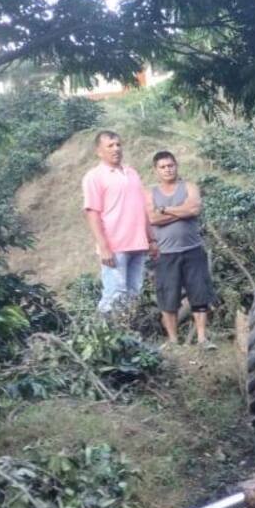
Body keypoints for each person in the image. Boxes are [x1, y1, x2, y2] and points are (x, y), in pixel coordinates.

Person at [146, 150, 216, 348]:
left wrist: (164, 210)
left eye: (170, 165)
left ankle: (202, 338)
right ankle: (173, 341)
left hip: (193, 250)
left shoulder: (189, 187)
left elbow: (194, 209)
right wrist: (181, 211)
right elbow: (152, 218)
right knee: (168, 298)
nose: (167, 169)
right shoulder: (149, 193)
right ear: (156, 170)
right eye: (163, 167)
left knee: (199, 295)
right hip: (165, 253)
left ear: (176, 166)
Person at [82, 130, 157, 315]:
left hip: (138, 244)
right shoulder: (94, 176)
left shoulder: (132, 173)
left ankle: (128, 331)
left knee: (134, 294)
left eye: (118, 144)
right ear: (99, 151)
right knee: (114, 295)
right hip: (115, 246)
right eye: (110, 145)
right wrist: (104, 247)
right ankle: (104, 331)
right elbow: (92, 213)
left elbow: (142, 208)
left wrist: (151, 239)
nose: (116, 148)